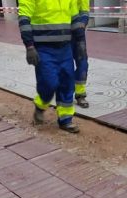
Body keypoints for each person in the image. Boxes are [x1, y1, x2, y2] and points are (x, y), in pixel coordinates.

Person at [18, 0, 83, 133]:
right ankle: (40, 106)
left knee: (67, 83)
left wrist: (81, 41)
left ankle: (66, 119)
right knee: (49, 83)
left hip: (65, 47)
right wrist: (29, 46)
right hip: (43, 49)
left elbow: (75, 17)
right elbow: (24, 18)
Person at [73, 0, 89, 108]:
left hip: (78, 33)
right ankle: (65, 92)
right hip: (62, 32)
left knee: (83, 64)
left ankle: (80, 94)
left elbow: (84, 10)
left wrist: (82, 24)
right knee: (66, 65)